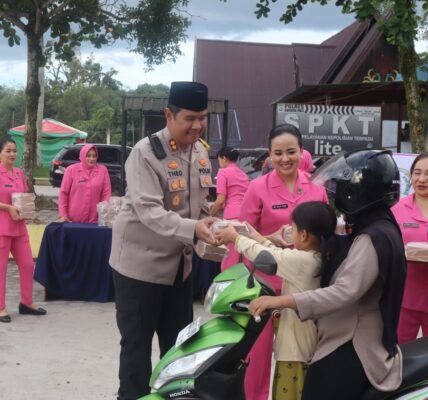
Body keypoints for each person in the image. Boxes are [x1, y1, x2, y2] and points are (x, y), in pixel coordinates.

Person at [249, 149, 406, 400]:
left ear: (358, 190)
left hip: (354, 341)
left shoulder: (371, 238)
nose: (335, 193)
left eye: (341, 186)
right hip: (347, 333)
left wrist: (282, 301)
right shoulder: (377, 227)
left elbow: (344, 292)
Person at [109, 81, 217, 400]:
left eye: (202, 117)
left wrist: (213, 223)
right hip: (140, 268)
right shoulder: (145, 153)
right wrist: (195, 229)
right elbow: (149, 212)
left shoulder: (199, 151)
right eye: (190, 118)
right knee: (136, 347)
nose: (197, 125)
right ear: (168, 114)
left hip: (179, 268)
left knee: (179, 346)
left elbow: (200, 202)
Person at [240, 124, 328, 400]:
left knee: (301, 354)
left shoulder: (317, 188)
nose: (285, 159)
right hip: (264, 284)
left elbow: (326, 235)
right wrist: (271, 239)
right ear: (269, 155)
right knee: (256, 355)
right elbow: (242, 234)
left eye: (291, 152)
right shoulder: (257, 188)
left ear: (302, 151)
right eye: (278, 153)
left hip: (303, 288)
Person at [215, 201, 337, 400]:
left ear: (304, 235)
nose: (290, 232)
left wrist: (236, 238)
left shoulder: (303, 262)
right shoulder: (315, 257)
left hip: (295, 352)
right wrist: (253, 234)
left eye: (293, 229)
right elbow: (277, 254)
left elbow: (271, 256)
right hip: (302, 347)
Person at [0, 136, 46, 323]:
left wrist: (28, 210)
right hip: (2, 229)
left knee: (27, 265)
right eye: (8, 151)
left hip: (19, 227)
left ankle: (26, 303)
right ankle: (0, 307)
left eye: (14, 151)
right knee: (1, 269)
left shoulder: (19, 173)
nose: (12, 154)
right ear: (0, 153)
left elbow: (24, 196)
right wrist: (7, 207)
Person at [392, 152, 428, 343]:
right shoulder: (396, 210)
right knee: (400, 351)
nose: (422, 179)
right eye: (417, 172)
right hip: (405, 296)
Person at [210, 146, 249, 270]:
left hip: (231, 216)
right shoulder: (243, 174)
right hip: (246, 216)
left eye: (219, 160)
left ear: (224, 158)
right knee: (242, 252)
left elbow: (220, 200)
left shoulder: (223, 172)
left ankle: (227, 280)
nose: (219, 164)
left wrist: (210, 215)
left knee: (230, 257)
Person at [58, 144, 111, 223]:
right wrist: (63, 214)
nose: (92, 159)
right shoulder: (71, 170)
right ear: (82, 155)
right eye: (88, 156)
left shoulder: (103, 171)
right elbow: (63, 193)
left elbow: (106, 193)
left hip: (95, 219)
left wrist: (104, 213)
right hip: (73, 219)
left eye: (94, 156)